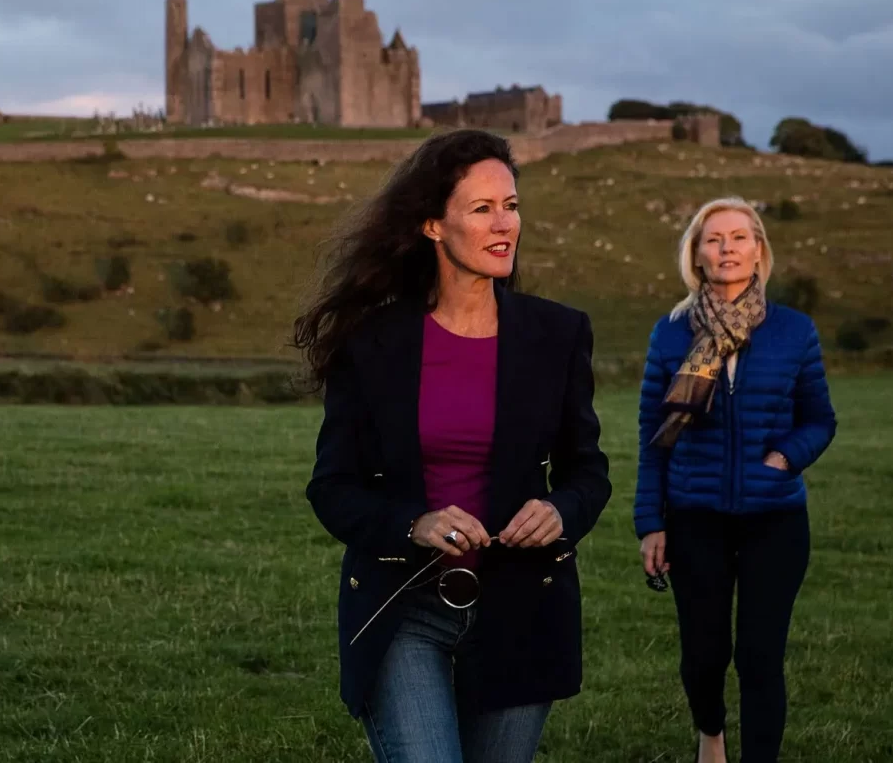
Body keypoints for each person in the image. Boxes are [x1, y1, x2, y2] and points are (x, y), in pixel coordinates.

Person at [294, 129, 612, 763]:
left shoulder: (557, 333)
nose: (505, 225)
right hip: (401, 605)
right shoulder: (372, 342)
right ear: (434, 226)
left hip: (521, 610)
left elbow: (588, 472)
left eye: (512, 206)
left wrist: (559, 512)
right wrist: (416, 522)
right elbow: (332, 488)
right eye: (482, 208)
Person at [634, 197, 837, 763]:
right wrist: (651, 523)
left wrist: (785, 459)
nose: (727, 248)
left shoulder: (793, 331)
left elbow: (820, 418)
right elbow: (654, 434)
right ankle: (711, 735)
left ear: (758, 251)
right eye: (714, 239)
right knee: (703, 654)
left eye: (739, 237)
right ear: (696, 255)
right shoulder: (672, 333)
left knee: (759, 656)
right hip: (695, 518)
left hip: (775, 518)